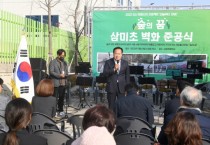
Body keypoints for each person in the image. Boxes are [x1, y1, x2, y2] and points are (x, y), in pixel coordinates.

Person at [49, 49, 68, 116]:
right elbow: (51, 72)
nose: (63, 57)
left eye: (64, 55)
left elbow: (66, 72)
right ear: (58, 55)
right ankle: (54, 111)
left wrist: (65, 75)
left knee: (62, 97)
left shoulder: (65, 63)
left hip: (63, 83)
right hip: (56, 83)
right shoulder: (53, 62)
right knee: (55, 98)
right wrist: (59, 75)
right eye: (62, 55)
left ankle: (61, 110)